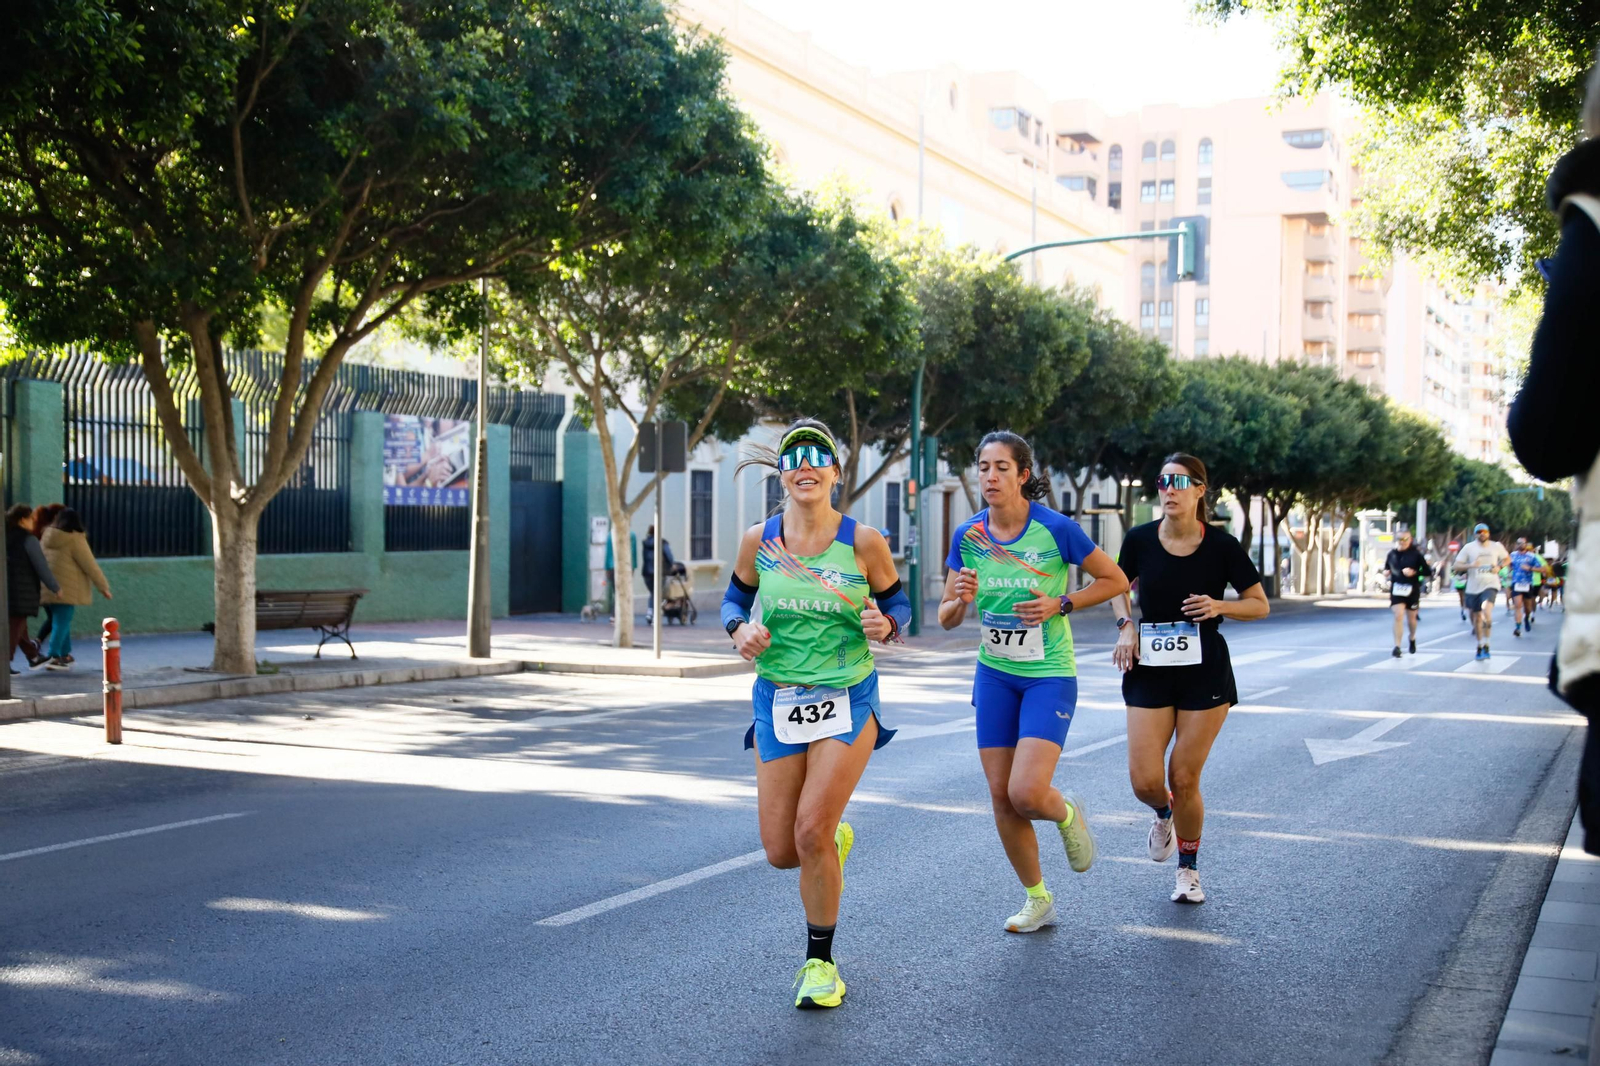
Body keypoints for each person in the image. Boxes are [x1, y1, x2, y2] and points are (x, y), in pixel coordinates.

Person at [721, 419, 910, 1010]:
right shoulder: (760, 539)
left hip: (847, 697)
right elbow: (733, 597)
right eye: (793, 457)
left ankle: (821, 966)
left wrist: (888, 624)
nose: (805, 465)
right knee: (781, 850)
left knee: (808, 832)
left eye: (817, 456)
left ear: (834, 472)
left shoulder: (862, 541)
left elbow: (897, 601)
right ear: (782, 473)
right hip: (778, 698)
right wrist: (739, 629)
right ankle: (831, 840)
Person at [936, 431, 1128, 934]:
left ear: (1024, 475)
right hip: (995, 673)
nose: (990, 476)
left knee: (1026, 791)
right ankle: (1038, 898)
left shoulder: (1055, 528)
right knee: (1002, 796)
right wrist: (959, 597)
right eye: (983, 467)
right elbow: (948, 619)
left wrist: (1061, 603)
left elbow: (1116, 581)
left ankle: (1065, 812)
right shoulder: (968, 536)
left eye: (1002, 467)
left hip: (1048, 674)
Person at [1112, 454, 1269, 905]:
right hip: (1149, 667)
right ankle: (1162, 814)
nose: (1169, 489)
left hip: (1205, 672)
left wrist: (1222, 606)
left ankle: (1188, 869)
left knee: (1183, 775)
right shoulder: (1140, 539)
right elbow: (1117, 586)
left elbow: (1258, 604)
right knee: (1145, 780)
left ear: (1201, 490)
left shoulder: (1222, 546)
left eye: (1180, 481)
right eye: (1163, 481)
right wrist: (1127, 625)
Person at [39, 508, 112, 671]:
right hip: (66, 589)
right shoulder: (74, 539)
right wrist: (103, 587)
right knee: (62, 621)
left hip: (46, 586)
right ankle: (54, 656)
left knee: (61, 620)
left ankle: (65, 654)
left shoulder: (46, 536)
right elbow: (90, 565)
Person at [5, 504, 58, 674]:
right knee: (15, 627)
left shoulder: (5, 536)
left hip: (7, 589)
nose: (33, 522)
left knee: (20, 626)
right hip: (22, 591)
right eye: (31, 518)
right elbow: (41, 566)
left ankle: (33, 657)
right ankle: (4, 663)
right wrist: (55, 587)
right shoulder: (28, 540)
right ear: (22, 520)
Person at [1454, 524, 1510, 661]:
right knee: (1477, 618)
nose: (1482, 534)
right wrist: (1470, 565)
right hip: (1473, 587)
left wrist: (1499, 566)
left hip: (1490, 584)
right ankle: (1480, 646)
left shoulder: (1496, 546)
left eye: (1484, 532)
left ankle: (1487, 644)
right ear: (1475, 535)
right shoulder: (1469, 548)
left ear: (1489, 533)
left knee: (1486, 610)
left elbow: (1507, 558)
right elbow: (1456, 565)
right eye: (1479, 532)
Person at [1382, 529, 1431, 657]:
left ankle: (1412, 637)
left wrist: (1414, 572)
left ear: (1410, 540)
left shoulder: (1416, 555)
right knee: (1398, 615)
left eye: (1405, 539)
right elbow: (1387, 568)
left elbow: (1428, 572)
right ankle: (1397, 646)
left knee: (1411, 618)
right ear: (1396, 540)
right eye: (1400, 539)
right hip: (1397, 590)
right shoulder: (1391, 554)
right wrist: (1386, 572)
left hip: (1412, 591)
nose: (1402, 542)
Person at [1509, 536, 1548, 638]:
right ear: (1516, 544)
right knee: (1517, 605)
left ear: (1526, 545)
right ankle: (1517, 627)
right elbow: (1509, 566)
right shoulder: (1512, 555)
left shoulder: (1532, 557)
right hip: (1516, 583)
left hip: (1527, 584)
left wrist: (1530, 568)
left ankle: (1526, 617)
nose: (1520, 545)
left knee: (1528, 607)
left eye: (1522, 543)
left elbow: (1543, 569)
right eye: (1518, 543)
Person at [641, 525, 675, 625]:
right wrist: (672, 565)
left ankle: (649, 612)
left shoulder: (645, 543)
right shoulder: (662, 543)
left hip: (647, 572)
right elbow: (669, 556)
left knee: (652, 593)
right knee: (658, 594)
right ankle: (655, 616)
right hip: (659, 572)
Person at [604, 528, 637, 624]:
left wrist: (606, 567)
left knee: (616, 592)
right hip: (626, 566)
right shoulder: (631, 534)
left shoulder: (610, 534)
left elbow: (607, 553)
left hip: (611, 567)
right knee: (625, 592)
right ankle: (624, 615)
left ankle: (614, 615)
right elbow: (633, 553)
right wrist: (633, 567)